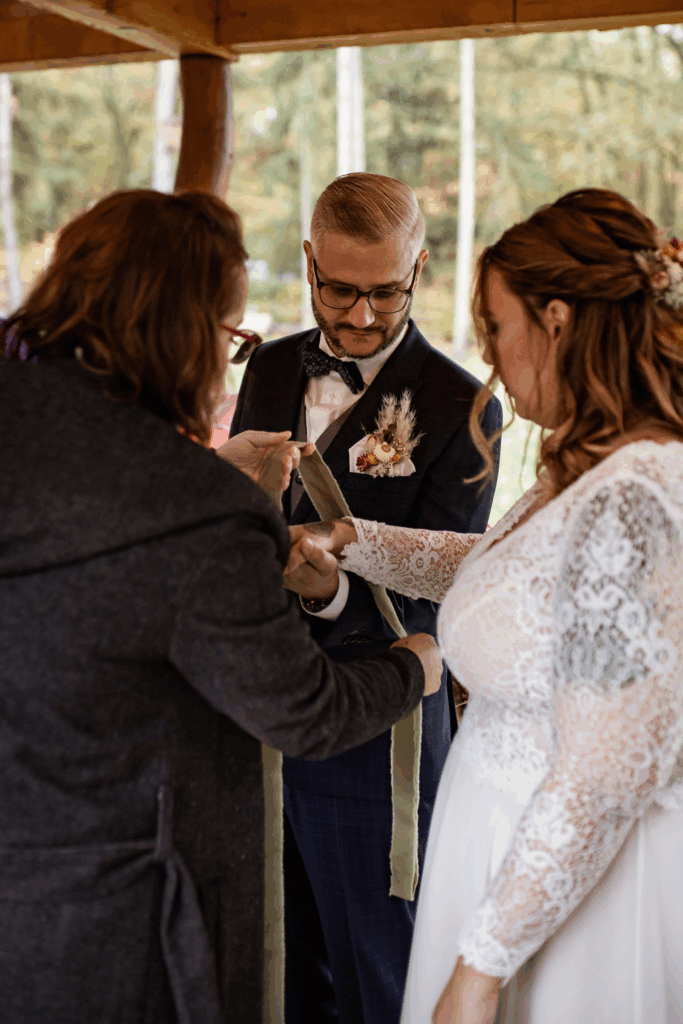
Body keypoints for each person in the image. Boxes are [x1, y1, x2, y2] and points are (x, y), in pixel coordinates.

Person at [0, 188, 443, 1024]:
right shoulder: (198, 507)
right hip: (124, 904)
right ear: (181, 330)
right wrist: (410, 669)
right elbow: (302, 711)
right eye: (227, 334)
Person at [288, 187, 683, 1024]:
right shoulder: (594, 465)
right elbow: (502, 570)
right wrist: (349, 540)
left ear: (556, 323)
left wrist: (481, 967)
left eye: (497, 326)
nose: (489, 354)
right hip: (502, 861)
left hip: (570, 901)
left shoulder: (638, 495)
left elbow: (603, 771)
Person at [230, 171, 502, 1024]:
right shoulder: (270, 366)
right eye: (338, 290)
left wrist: (326, 595)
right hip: (258, 718)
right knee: (276, 971)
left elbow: (443, 593)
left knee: (378, 975)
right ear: (308, 261)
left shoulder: (463, 405)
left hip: (378, 731)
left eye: (385, 292)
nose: (358, 316)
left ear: (418, 268)